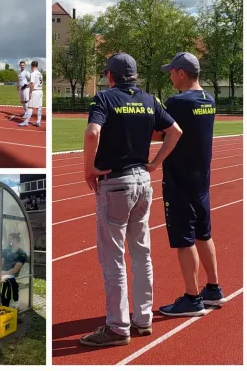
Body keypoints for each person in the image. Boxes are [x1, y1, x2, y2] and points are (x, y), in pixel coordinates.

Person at [79, 52, 182, 347]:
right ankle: (143, 318)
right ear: (134, 75)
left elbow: (92, 133)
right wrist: (156, 162)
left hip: (116, 183)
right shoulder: (150, 100)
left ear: (110, 76)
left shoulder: (104, 98)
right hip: (143, 181)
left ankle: (117, 327)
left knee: (113, 259)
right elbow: (175, 131)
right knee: (141, 253)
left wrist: (89, 169)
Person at [157, 52, 225, 317]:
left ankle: (191, 297)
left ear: (181, 73)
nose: (171, 77)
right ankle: (213, 288)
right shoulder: (210, 99)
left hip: (179, 179)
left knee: (184, 239)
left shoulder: (177, 102)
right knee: (203, 233)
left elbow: (159, 132)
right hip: (201, 179)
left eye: (172, 72)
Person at [18, 61, 42, 127]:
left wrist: (30, 92)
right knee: (39, 107)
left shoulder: (33, 73)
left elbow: (32, 84)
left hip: (35, 91)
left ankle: (26, 121)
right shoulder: (40, 74)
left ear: (31, 66)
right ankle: (38, 121)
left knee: (30, 107)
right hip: (40, 91)